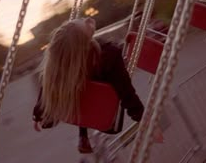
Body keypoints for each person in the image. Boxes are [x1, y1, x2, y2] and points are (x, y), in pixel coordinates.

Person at [32, 17, 145, 154]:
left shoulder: (61, 71)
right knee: (95, 76)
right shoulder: (108, 56)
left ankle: (83, 135)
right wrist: (145, 121)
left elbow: (47, 90)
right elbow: (127, 93)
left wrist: (38, 115)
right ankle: (83, 135)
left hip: (85, 112)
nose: (83, 19)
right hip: (108, 121)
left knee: (76, 82)